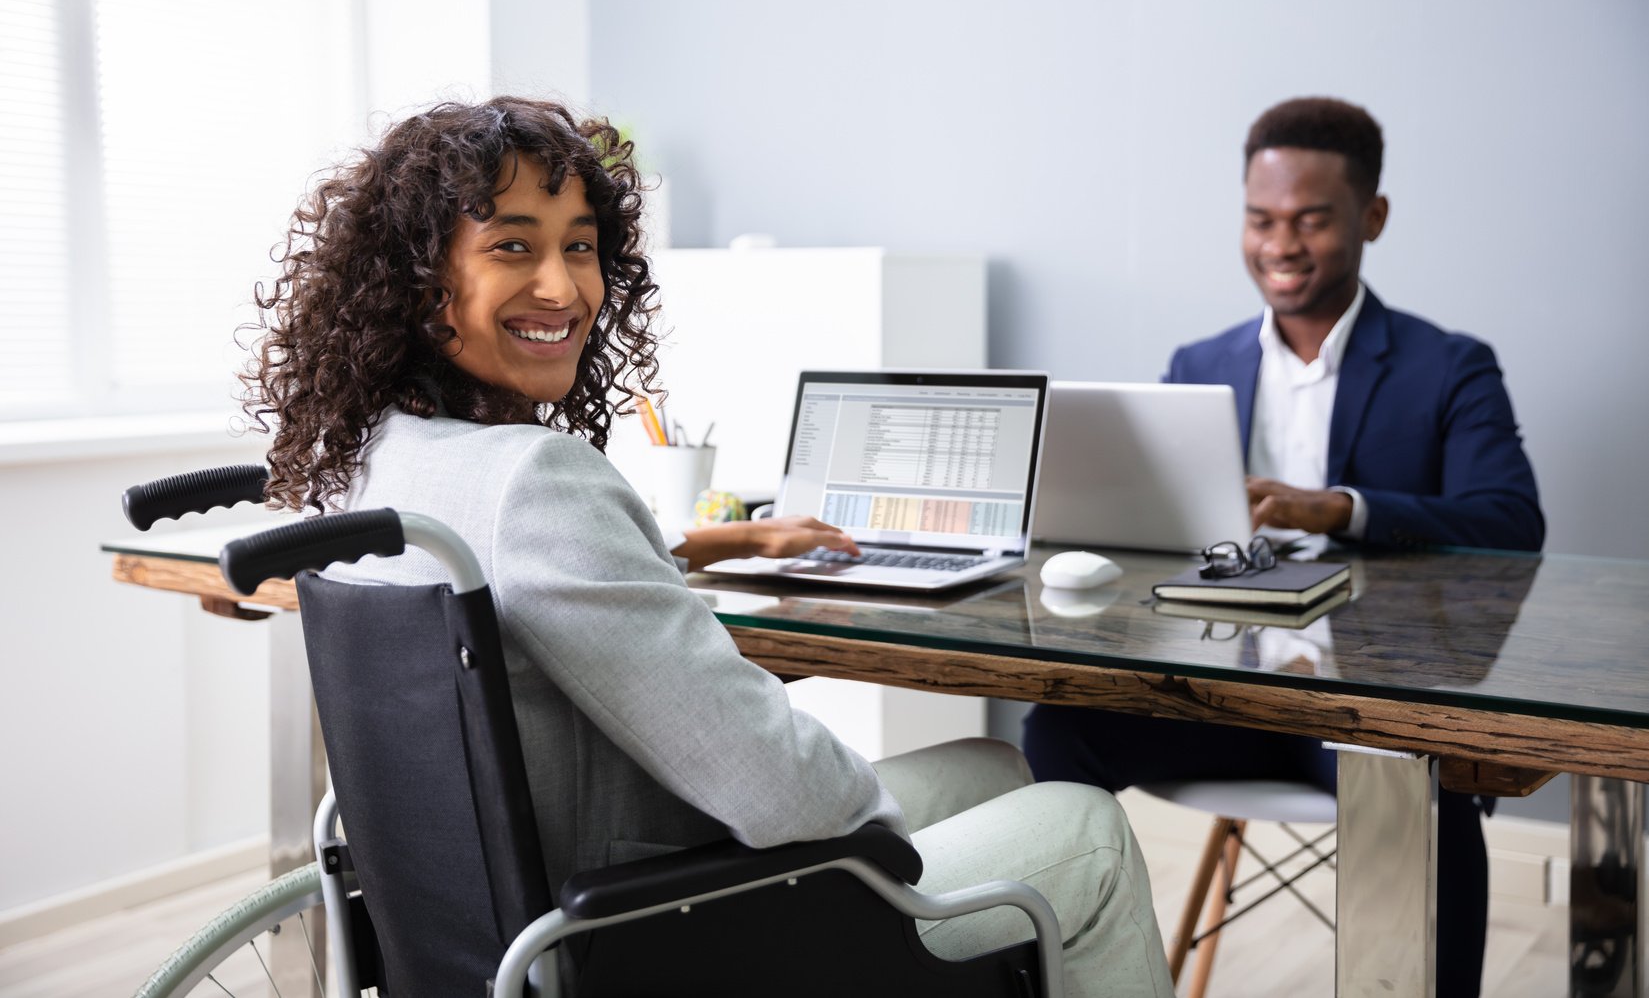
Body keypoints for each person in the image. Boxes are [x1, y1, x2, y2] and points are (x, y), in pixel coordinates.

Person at [242, 95, 1172, 995]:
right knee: (1080, 824)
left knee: (992, 768)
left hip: (506, 930)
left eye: (580, 248)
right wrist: (880, 854)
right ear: (419, 282)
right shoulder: (535, 480)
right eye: (512, 246)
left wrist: (705, 544)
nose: (562, 287)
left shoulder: (375, 467)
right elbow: (781, 797)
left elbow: (540, 584)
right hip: (654, 933)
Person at [1023, 96, 1543, 997]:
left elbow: (1510, 521)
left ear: (1370, 217)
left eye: (1310, 220)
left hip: (1361, 709)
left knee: (1419, 783)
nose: (1280, 244)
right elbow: (1152, 534)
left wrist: (1335, 509)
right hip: (1214, 691)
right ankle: (1056, 978)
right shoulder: (1199, 364)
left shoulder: (1449, 365)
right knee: (1054, 730)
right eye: (1260, 220)